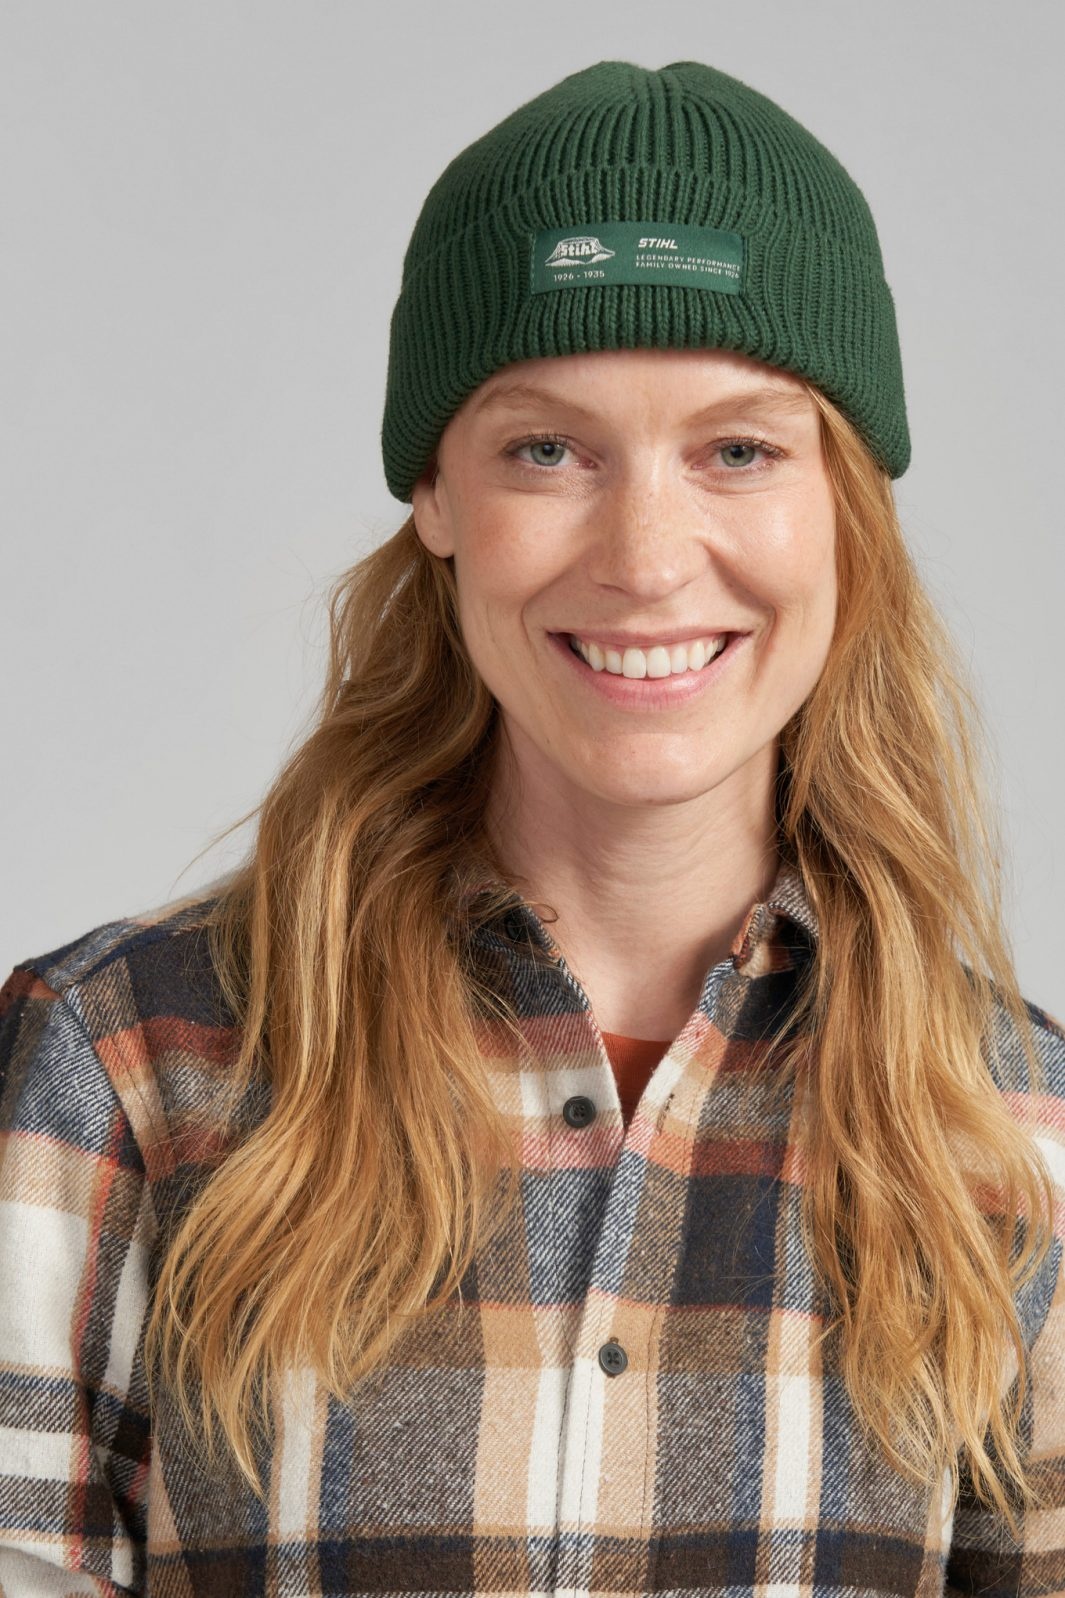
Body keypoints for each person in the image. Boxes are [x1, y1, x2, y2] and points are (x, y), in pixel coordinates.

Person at [1, 56, 1063, 1598]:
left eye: (739, 448)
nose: (646, 555)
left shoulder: (1021, 1139)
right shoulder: (115, 1069)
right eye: (546, 449)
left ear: (846, 505)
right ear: (434, 493)